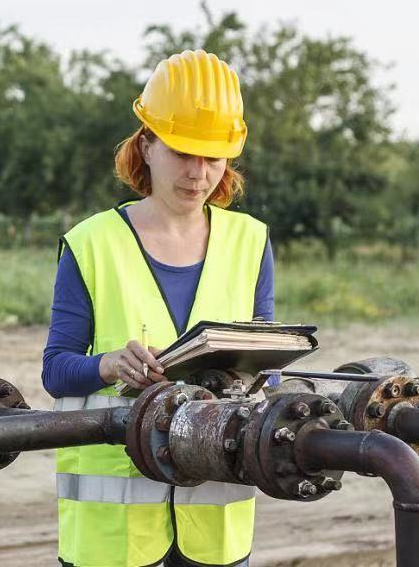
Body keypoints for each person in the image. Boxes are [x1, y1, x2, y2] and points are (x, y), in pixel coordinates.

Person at [42, 49, 274, 567]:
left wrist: (262, 379)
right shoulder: (90, 244)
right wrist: (107, 365)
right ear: (146, 145)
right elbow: (56, 371)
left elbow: (267, 373)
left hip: (215, 521)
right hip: (113, 535)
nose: (199, 174)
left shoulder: (251, 242)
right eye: (183, 152)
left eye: (213, 157)